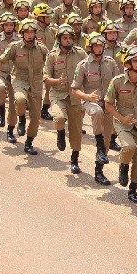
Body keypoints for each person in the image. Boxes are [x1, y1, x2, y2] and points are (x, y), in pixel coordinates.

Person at [104, 46, 137, 203]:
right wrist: (121, 118)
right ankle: (123, 165)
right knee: (129, 146)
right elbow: (108, 104)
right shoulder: (117, 82)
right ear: (127, 64)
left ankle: (133, 190)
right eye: (135, 61)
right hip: (122, 123)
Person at [71, 32, 120, 185]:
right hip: (90, 102)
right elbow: (75, 89)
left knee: (107, 140)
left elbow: (117, 83)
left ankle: (99, 171)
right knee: (97, 112)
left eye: (101, 46)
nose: (99, 49)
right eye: (96, 46)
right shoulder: (83, 65)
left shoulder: (111, 63)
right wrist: (87, 97)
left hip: (108, 104)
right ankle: (98, 143)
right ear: (90, 48)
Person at [0, 19, 48, 155]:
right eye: (26, 32)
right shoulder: (15, 46)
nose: (29, 35)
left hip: (36, 83)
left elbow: (50, 64)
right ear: (21, 33)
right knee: (19, 100)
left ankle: (29, 143)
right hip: (19, 79)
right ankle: (21, 120)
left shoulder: (41, 48)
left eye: (32, 32)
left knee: (36, 117)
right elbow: (0, 60)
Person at [44, 24, 87, 174]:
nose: (68, 41)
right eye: (65, 38)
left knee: (76, 132)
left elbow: (89, 71)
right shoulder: (52, 56)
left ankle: (74, 160)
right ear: (59, 39)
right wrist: (55, 81)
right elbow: (45, 77)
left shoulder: (81, 54)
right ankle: (60, 133)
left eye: (70, 38)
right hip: (58, 95)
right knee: (59, 117)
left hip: (75, 97)